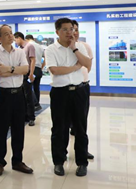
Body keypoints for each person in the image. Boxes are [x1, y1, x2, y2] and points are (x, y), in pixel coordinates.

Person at [44, 18, 92, 177]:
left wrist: (74, 49)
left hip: (79, 91)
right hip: (60, 93)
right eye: (65, 29)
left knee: (80, 128)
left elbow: (87, 64)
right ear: (57, 31)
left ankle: (82, 163)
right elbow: (55, 70)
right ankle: (58, 162)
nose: (70, 32)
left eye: (71, 29)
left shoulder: (79, 47)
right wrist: (75, 67)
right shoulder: (51, 49)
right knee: (59, 128)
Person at [0, 25, 33, 176]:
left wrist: (9, 69)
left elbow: (25, 70)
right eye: (6, 34)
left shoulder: (20, 52)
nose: (10, 36)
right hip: (3, 95)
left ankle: (17, 161)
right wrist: (15, 70)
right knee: (0, 130)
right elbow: (0, 73)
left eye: (11, 33)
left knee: (19, 129)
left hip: (19, 94)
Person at [71, 20, 95, 160]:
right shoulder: (58, 48)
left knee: (81, 123)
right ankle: (62, 153)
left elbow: (88, 65)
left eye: (76, 29)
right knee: (63, 124)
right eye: (70, 29)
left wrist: (81, 76)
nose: (74, 32)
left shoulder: (84, 46)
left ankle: (82, 152)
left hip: (82, 87)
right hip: (65, 89)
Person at [14, 32, 38, 126]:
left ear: (19, 38)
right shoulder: (19, 49)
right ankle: (25, 115)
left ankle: (31, 117)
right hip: (21, 74)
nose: (15, 42)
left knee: (28, 96)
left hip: (27, 73)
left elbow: (33, 60)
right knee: (22, 96)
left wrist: (31, 73)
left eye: (15, 40)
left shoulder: (29, 46)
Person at [26, 34, 45, 111]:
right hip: (38, 69)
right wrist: (41, 67)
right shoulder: (40, 46)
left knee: (28, 87)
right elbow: (46, 58)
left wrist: (31, 72)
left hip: (32, 69)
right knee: (36, 88)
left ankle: (34, 104)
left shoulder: (28, 45)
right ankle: (37, 104)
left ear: (26, 39)